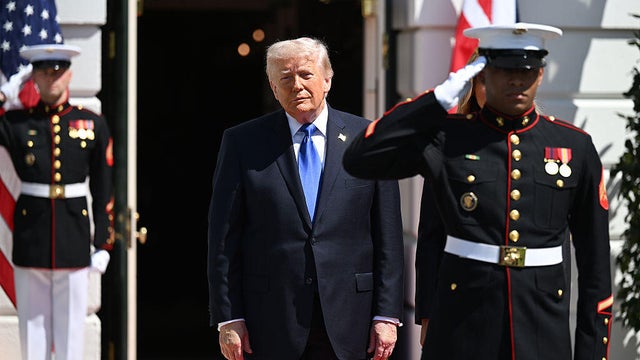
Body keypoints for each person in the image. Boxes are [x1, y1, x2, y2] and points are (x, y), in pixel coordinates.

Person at [344, 23, 613, 360]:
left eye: (527, 70)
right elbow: (360, 159)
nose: (517, 80)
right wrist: (434, 102)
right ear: (483, 74)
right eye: (504, 70)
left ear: (541, 74)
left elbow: (596, 266)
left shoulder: (574, 146)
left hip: (541, 325)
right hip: (462, 322)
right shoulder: (448, 139)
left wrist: (591, 352)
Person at [207, 37, 404, 360]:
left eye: (305, 75)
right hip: (270, 320)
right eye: (285, 78)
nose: (296, 85)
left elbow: (388, 237)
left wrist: (386, 315)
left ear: (327, 79)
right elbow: (224, 238)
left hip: (351, 319)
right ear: (273, 87)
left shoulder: (369, 140)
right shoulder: (243, 143)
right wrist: (229, 317)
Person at [0, 43, 114, 360]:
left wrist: (103, 242)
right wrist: (4, 95)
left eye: (58, 71)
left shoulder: (92, 123)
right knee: (32, 329)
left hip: (74, 234)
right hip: (30, 232)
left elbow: (105, 189)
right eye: (43, 72)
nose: (52, 78)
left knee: (70, 333)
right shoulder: (15, 123)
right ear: (33, 78)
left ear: (69, 75)